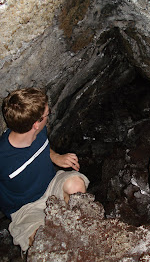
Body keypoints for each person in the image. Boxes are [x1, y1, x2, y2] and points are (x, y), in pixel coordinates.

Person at [0, 87, 89, 252]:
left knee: (76, 186)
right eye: (47, 114)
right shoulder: (3, 158)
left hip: (51, 185)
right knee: (43, 242)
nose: (49, 118)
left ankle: (75, 231)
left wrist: (55, 157)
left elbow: (42, 148)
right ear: (35, 124)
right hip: (24, 209)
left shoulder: (38, 132)